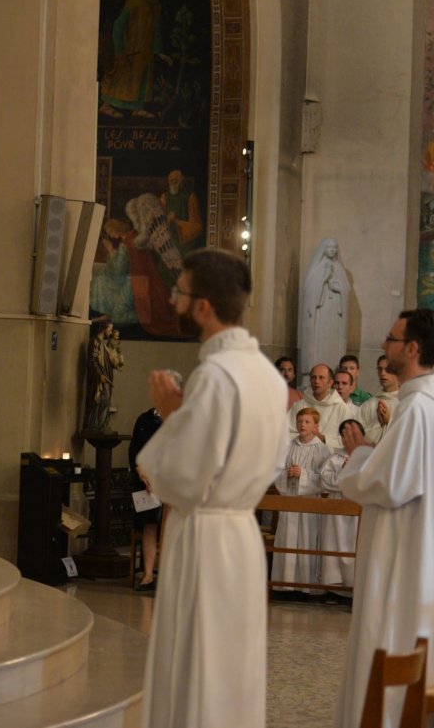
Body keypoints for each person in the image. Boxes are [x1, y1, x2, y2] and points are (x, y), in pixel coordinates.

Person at [136, 248, 288, 728]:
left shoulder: (216, 376)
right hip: (240, 537)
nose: (174, 302)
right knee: (230, 671)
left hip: (203, 538)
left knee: (197, 667)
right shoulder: (265, 373)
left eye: (179, 293)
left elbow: (181, 477)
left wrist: (169, 414)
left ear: (203, 306)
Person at [333, 309, 434, 728]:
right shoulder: (426, 407)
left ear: (412, 348)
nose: (384, 345)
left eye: (391, 338)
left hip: (399, 562)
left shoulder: (419, 410)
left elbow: (389, 484)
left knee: (386, 642)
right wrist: (372, 454)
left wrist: (358, 457)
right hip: (414, 553)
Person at [128, 371, 182, 594]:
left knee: (172, 529)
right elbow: (135, 451)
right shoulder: (144, 420)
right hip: (147, 484)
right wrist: (142, 472)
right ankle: (148, 575)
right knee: (150, 526)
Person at [271, 407, 329, 595]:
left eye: (307, 422)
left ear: (316, 426)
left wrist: (302, 475)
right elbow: (276, 471)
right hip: (290, 502)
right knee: (286, 542)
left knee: (306, 542)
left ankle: (306, 587)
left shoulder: (321, 449)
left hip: (309, 504)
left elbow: (324, 478)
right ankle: (284, 585)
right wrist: (286, 474)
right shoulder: (289, 446)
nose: (302, 425)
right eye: (299, 421)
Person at [317, 418, 361, 598]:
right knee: (334, 543)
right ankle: (334, 588)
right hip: (337, 507)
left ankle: (356, 588)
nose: (348, 438)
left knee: (355, 546)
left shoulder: (370, 456)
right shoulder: (334, 458)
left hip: (358, 507)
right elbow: (324, 481)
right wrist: (342, 471)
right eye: (344, 434)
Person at [298, 238, 349, 374]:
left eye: (334, 248)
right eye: (329, 247)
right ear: (323, 250)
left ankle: (335, 372)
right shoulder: (317, 268)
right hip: (320, 315)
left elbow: (346, 290)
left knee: (333, 346)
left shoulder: (339, 268)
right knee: (318, 346)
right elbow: (309, 290)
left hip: (334, 316)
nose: (332, 250)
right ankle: (314, 373)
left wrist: (339, 289)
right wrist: (323, 280)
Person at [287, 363, 356, 451]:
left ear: (330, 382)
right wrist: (305, 438)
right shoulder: (300, 404)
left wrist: (323, 438)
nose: (316, 381)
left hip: (329, 460)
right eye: (313, 377)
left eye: (321, 378)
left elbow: (348, 439)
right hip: (300, 455)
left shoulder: (342, 409)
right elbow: (286, 431)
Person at [357, 355, 400, 444]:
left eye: (388, 369)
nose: (383, 373)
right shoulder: (369, 404)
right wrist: (377, 426)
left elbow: (410, 436)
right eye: (380, 369)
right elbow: (357, 435)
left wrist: (389, 421)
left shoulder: (404, 402)